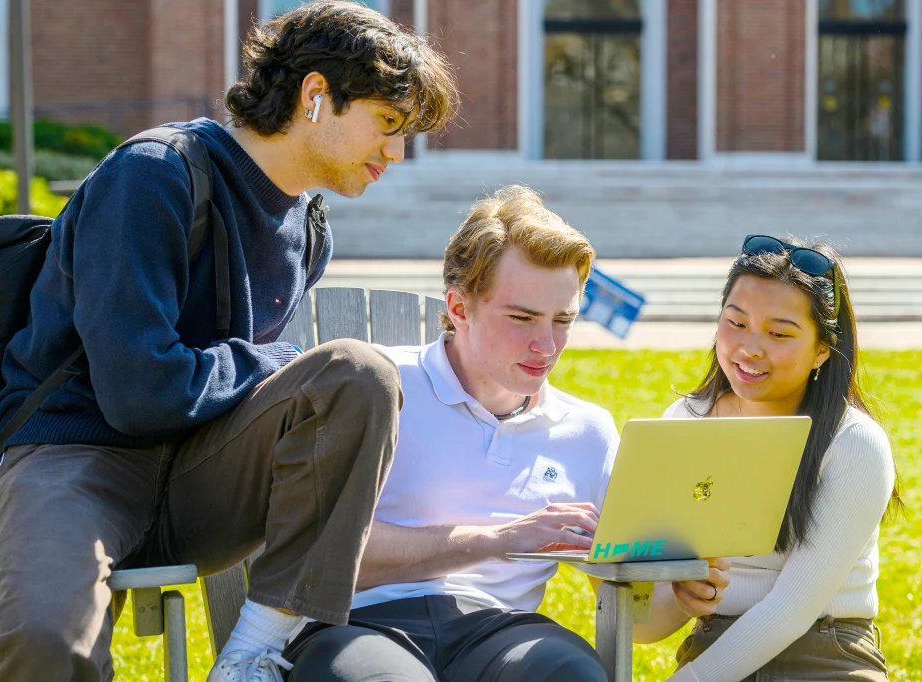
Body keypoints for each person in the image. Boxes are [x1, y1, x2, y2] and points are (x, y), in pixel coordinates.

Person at [0, 3, 458, 681]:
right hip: (79, 456)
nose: (395, 153)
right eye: (387, 123)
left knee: (358, 373)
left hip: (203, 477)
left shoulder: (308, 231)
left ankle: (251, 652)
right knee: (49, 646)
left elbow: (242, 397)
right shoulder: (155, 173)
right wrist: (273, 362)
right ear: (316, 94)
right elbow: (139, 393)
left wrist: (273, 376)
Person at [282, 185, 731, 682]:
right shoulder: (379, 388)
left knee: (571, 674)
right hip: (358, 625)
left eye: (564, 320)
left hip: (503, 634)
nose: (546, 345)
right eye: (521, 318)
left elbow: (635, 612)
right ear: (458, 308)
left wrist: (682, 594)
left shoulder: (587, 431)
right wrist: (501, 539)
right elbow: (312, 558)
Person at [661, 235, 901, 681]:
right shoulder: (684, 422)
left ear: (822, 351)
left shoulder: (854, 443)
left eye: (779, 334)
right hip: (715, 644)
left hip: (827, 655)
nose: (750, 348)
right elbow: (647, 622)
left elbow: (792, 609)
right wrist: (675, 590)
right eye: (735, 323)